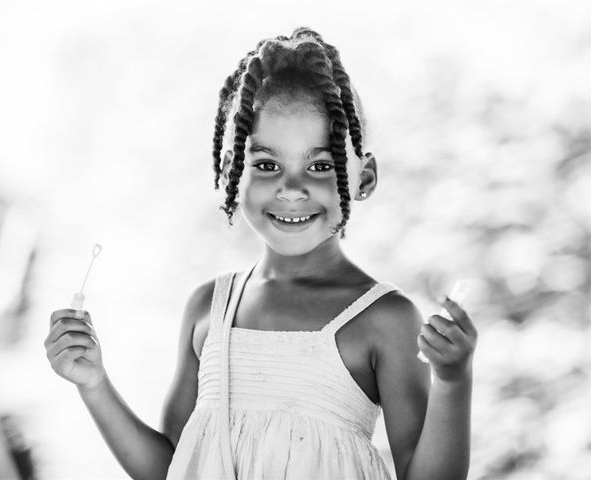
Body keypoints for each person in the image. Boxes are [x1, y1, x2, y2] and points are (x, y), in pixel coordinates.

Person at [45, 27, 477, 480]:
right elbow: (172, 468)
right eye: (268, 165)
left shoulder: (384, 319)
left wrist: (452, 380)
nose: (292, 189)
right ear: (232, 170)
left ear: (364, 177)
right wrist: (93, 384)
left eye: (321, 165)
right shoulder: (208, 309)